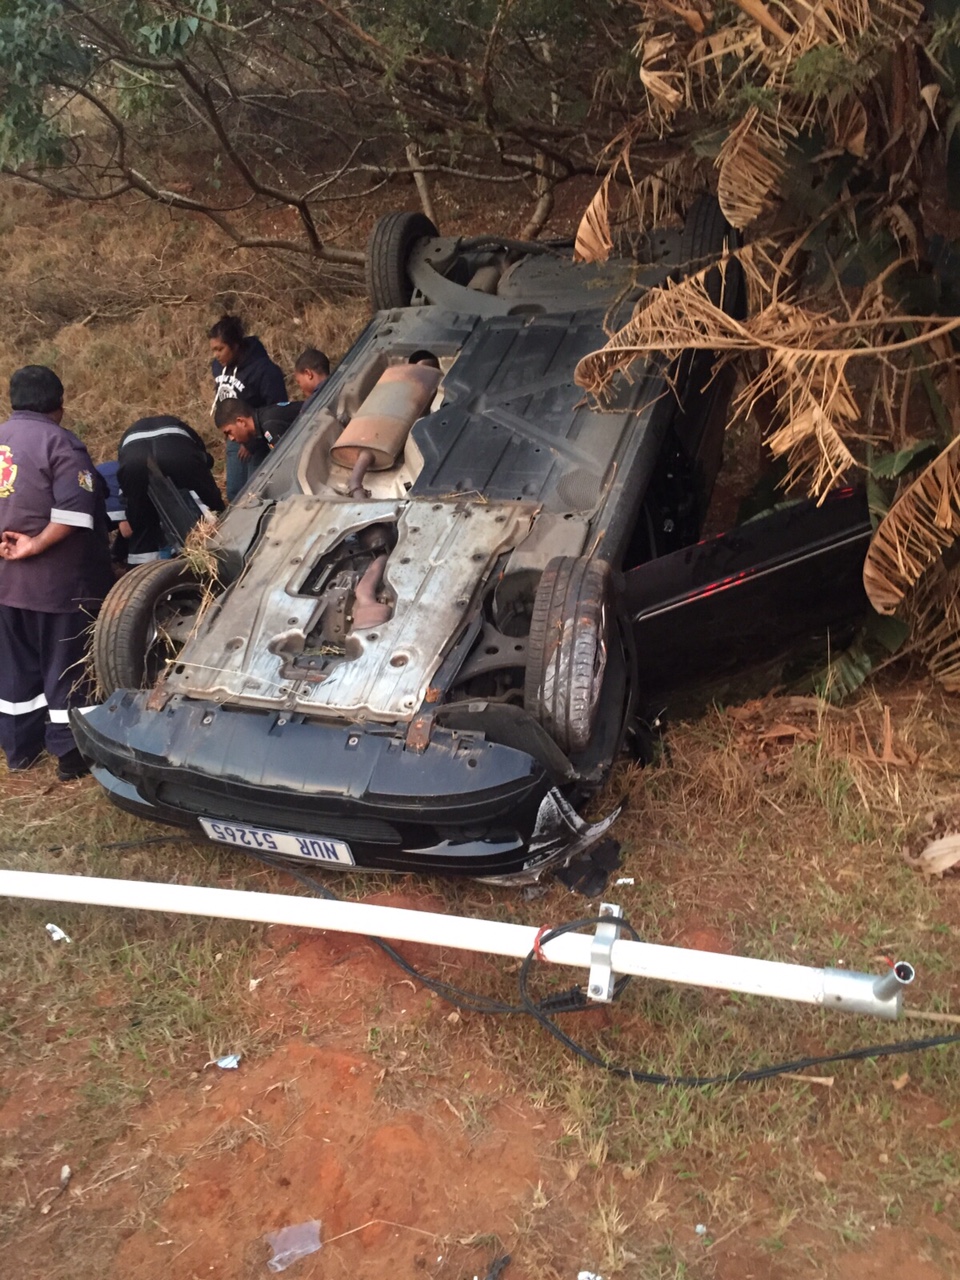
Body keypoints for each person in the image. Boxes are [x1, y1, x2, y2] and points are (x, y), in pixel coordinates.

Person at [0, 365, 113, 781]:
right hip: (58, 584)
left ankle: (20, 749)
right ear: (59, 405)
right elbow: (74, 513)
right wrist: (34, 544)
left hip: (6, 586)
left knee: (15, 670)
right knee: (68, 667)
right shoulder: (60, 443)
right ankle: (71, 754)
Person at [117, 415, 225, 564]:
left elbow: (128, 497)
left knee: (142, 523)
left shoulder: (127, 437)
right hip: (177, 452)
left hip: (133, 459)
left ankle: (144, 572)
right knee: (207, 508)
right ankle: (221, 550)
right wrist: (215, 507)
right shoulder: (183, 430)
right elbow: (205, 464)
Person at [208, 315, 287, 500]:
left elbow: (275, 410)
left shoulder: (264, 370)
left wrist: (253, 443)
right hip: (234, 435)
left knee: (255, 490)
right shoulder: (218, 367)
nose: (216, 355)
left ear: (235, 345)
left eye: (220, 349)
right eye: (213, 350)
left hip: (258, 437)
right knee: (235, 492)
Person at [213, 398, 301, 474]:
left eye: (229, 432)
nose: (231, 438)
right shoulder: (262, 422)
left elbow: (292, 464)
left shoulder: (270, 425)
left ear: (241, 422)